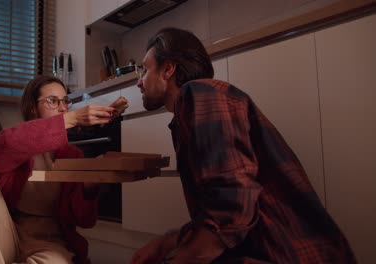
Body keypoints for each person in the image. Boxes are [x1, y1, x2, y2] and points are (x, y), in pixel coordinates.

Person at [131, 27, 356, 264]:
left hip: (287, 255)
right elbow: (218, 213)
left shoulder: (199, 93)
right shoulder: (187, 114)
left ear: (168, 69)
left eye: (145, 69)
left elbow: (231, 205)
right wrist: (168, 242)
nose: (139, 82)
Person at [0, 76, 125, 264]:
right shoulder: (14, 143)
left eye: (65, 101)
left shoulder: (73, 156)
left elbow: (84, 220)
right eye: (52, 101)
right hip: (8, 233)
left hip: (50, 242)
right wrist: (73, 118)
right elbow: (8, 142)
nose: (62, 108)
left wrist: (90, 186)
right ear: (33, 108)